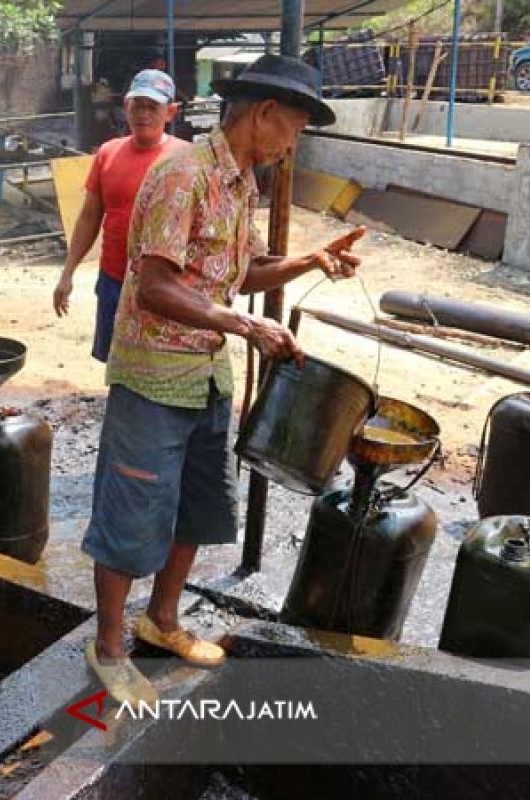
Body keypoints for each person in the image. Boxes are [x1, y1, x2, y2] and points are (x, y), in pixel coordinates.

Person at [82, 55, 368, 705]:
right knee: (133, 515)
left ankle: (163, 619)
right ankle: (109, 648)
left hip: (207, 373)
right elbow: (154, 286)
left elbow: (236, 273)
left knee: (197, 504)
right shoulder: (182, 175)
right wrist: (246, 328)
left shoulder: (241, 183)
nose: (293, 144)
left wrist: (309, 262)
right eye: (293, 128)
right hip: (155, 374)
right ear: (264, 115)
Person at [53, 69, 189, 363]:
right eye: (136, 105)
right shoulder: (108, 153)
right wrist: (68, 272)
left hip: (168, 285)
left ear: (171, 112)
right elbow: (89, 217)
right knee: (116, 361)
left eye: (152, 107)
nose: (142, 114)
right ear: (125, 107)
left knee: (161, 363)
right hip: (114, 278)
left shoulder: (187, 160)